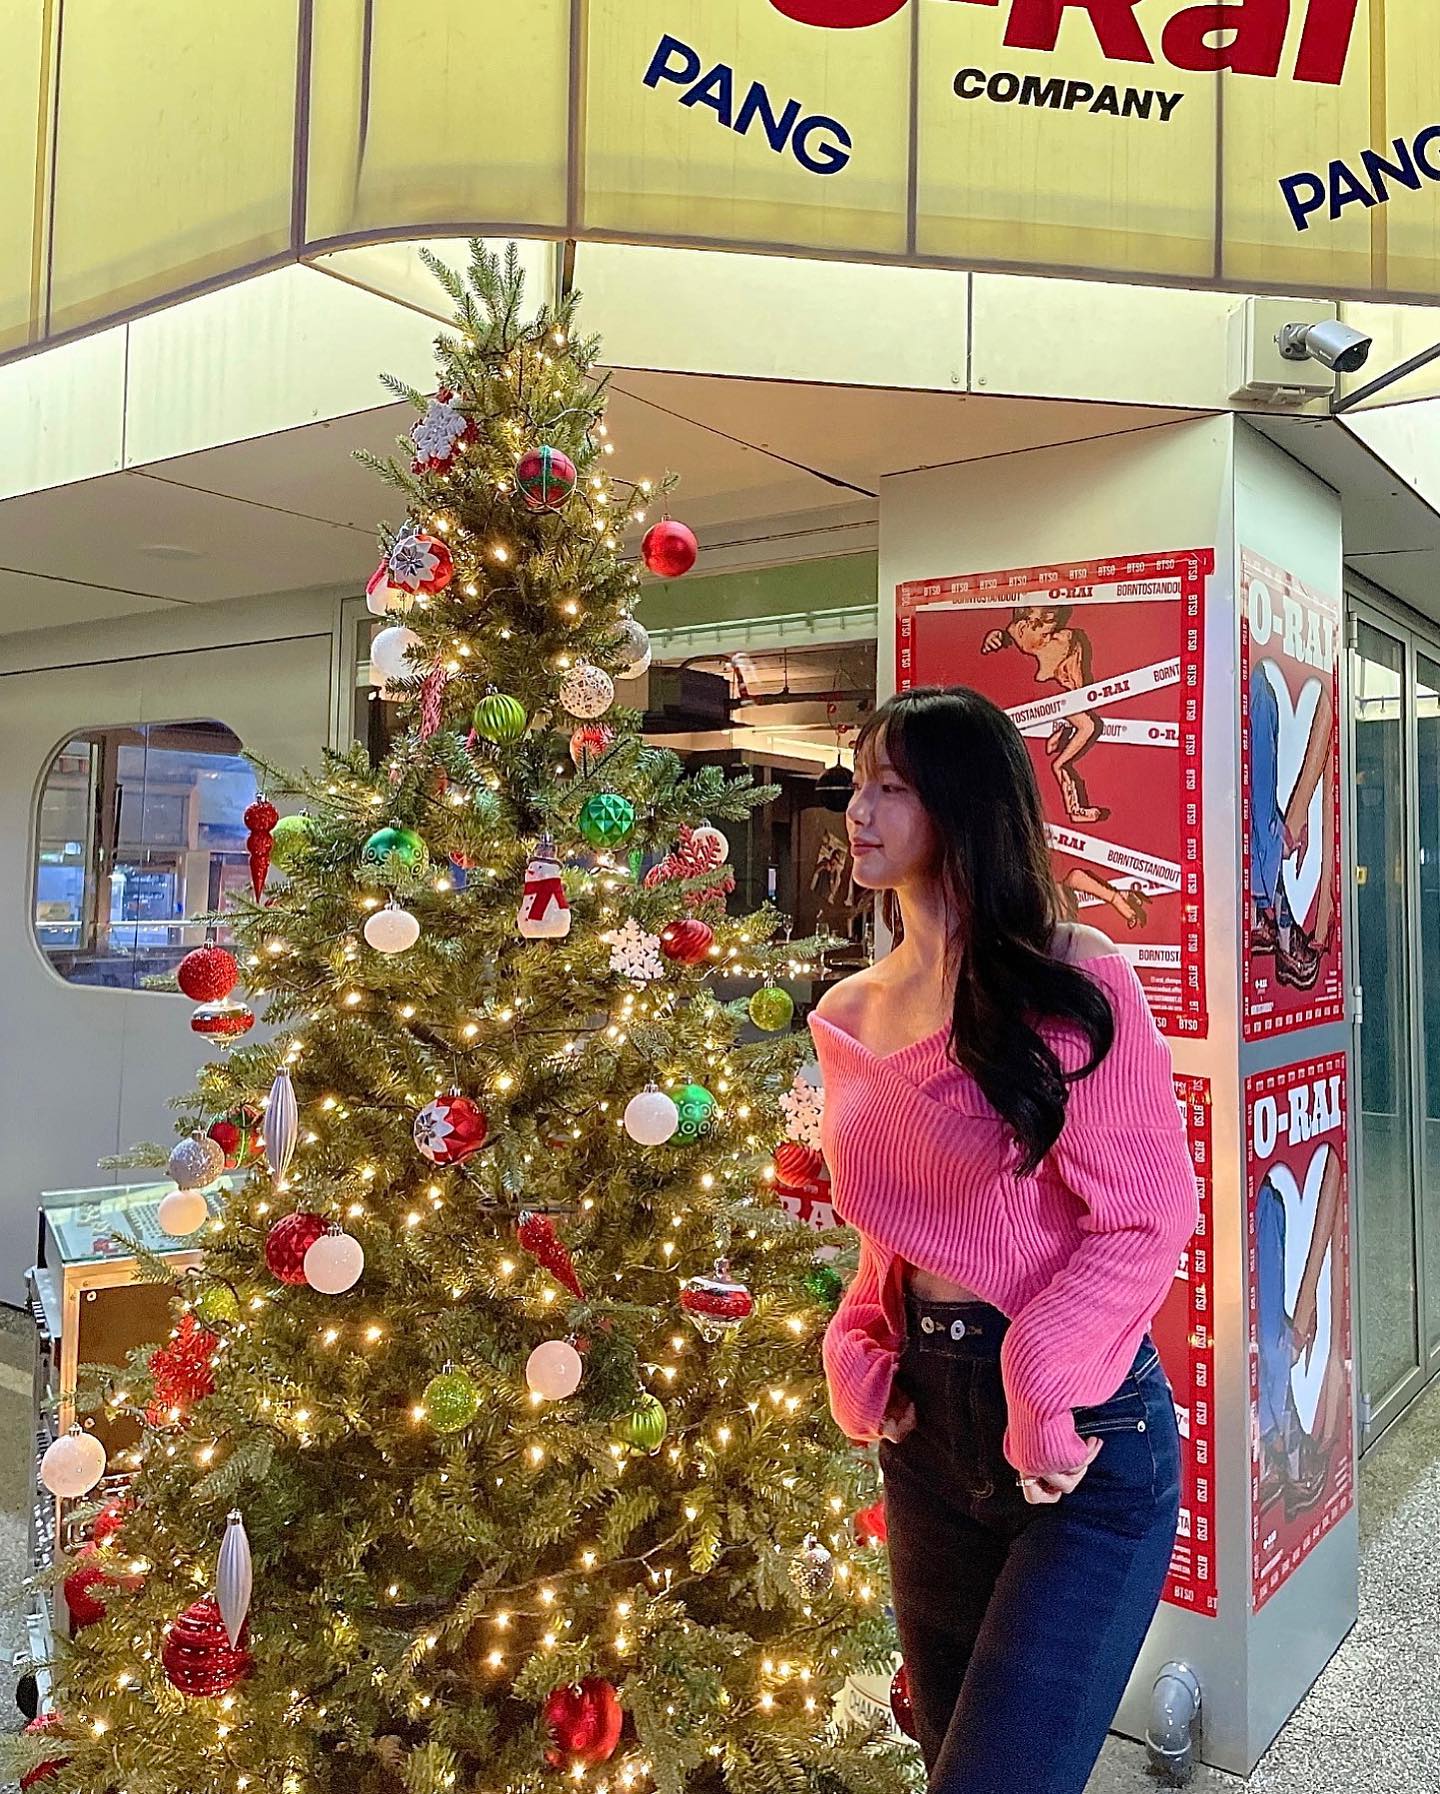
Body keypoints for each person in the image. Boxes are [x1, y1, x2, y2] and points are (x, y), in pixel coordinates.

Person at [808, 685, 1197, 1794]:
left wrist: (1041, 1373)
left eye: (892, 787)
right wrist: (859, 1335)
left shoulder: (1070, 974)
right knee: (950, 1763)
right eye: (858, 784)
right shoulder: (851, 1013)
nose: (858, 811)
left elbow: (1146, 1216)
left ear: (962, 804)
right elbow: (893, 1228)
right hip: (928, 1439)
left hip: (1084, 1437)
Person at [982, 603, 1108, 824]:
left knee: (1085, 726)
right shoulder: (1019, 630)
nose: (1048, 632)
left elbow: (1076, 684)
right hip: (1041, 692)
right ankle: (1069, 791)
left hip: (1054, 692)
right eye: (1044, 626)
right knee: (1085, 727)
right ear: (1028, 622)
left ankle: (1071, 794)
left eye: (1052, 624)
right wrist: (996, 637)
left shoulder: (1065, 639)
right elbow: (1005, 637)